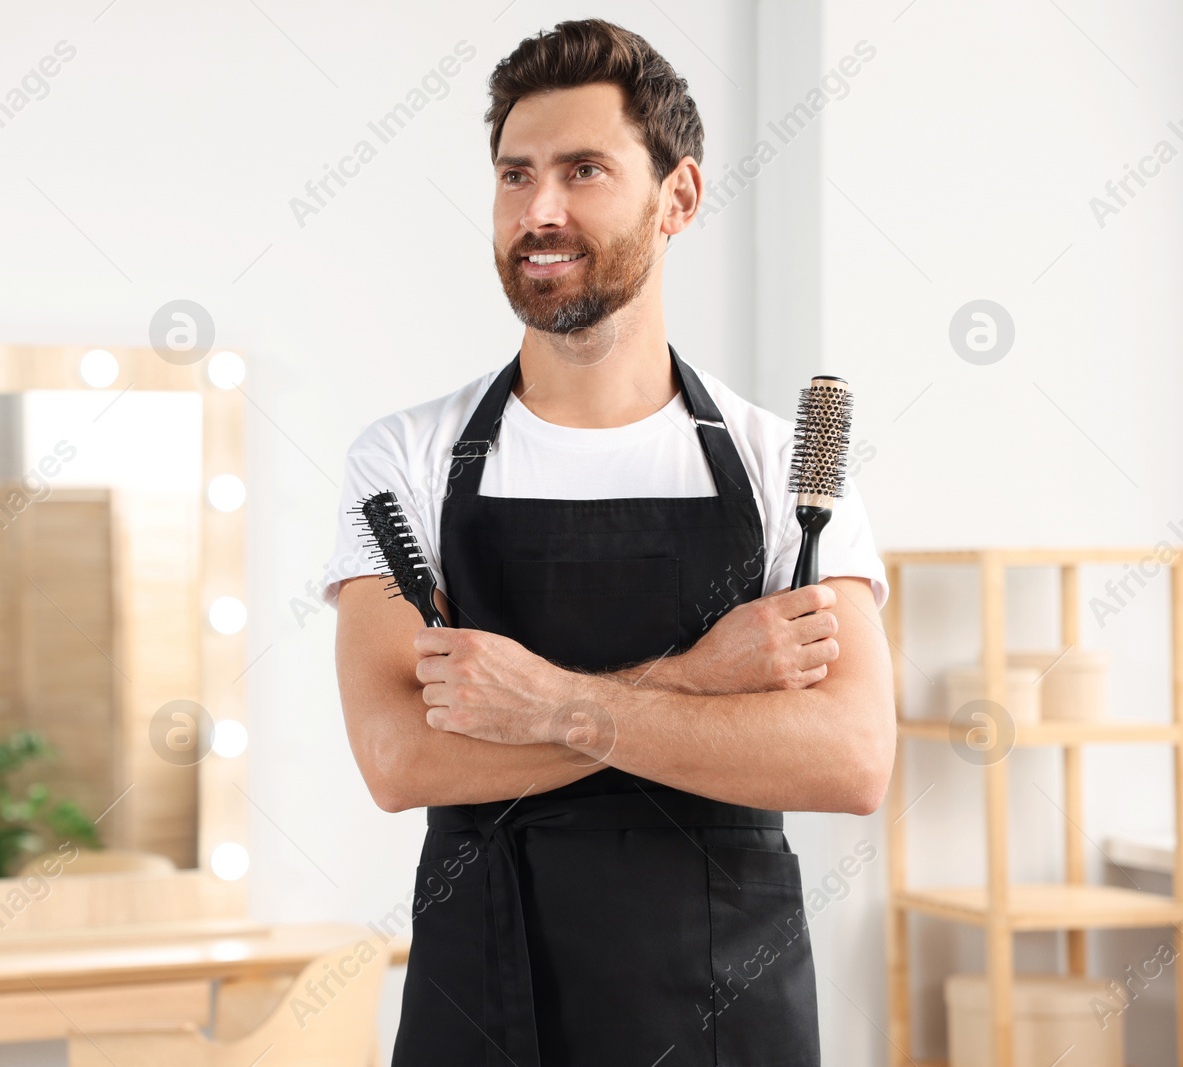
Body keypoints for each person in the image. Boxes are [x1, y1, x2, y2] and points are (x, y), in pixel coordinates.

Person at [322, 18, 896, 1067]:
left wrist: (539, 704)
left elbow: (849, 758)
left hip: (731, 1000)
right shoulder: (405, 457)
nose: (538, 211)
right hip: (485, 988)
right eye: (514, 174)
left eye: (583, 170)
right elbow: (401, 757)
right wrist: (701, 678)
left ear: (678, 196)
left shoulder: (783, 471)